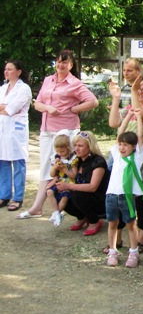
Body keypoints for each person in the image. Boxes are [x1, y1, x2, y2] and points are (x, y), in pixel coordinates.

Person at [17, 49, 98, 219]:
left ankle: (68, 208)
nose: (60, 65)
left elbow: (93, 101)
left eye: (64, 62)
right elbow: (37, 103)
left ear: (71, 65)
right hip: (47, 129)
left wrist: (74, 109)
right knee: (47, 168)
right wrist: (48, 108)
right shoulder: (49, 80)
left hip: (65, 130)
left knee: (64, 168)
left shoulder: (75, 83)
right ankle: (38, 208)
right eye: (59, 61)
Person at [108, 73, 143, 253]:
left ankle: (142, 237)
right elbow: (113, 123)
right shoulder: (129, 108)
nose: (140, 92)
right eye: (138, 89)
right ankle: (118, 238)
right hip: (125, 163)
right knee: (121, 197)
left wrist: (133, 91)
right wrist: (116, 98)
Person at [105, 108, 143, 268]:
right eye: (120, 144)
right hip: (112, 195)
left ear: (133, 147)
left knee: (131, 224)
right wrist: (128, 115)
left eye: (126, 145)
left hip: (127, 196)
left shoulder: (137, 157)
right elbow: (120, 132)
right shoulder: (117, 156)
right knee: (112, 223)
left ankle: (133, 251)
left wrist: (138, 117)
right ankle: (112, 251)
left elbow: (140, 136)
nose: (122, 147)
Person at [58, 131, 109, 236]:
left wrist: (68, 186)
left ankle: (94, 221)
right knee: (59, 194)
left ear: (90, 146)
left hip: (101, 199)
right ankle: (82, 217)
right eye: (75, 145)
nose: (76, 149)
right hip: (85, 196)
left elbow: (93, 187)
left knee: (77, 195)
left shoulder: (98, 161)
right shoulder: (77, 160)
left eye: (80, 146)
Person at [0, 60, 32, 212]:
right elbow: (8, 108)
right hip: (3, 129)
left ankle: (18, 198)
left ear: (18, 72)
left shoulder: (24, 89)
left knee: (18, 162)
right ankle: (4, 195)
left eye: (10, 69)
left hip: (16, 131)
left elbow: (12, 109)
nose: (6, 72)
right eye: (5, 69)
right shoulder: (3, 88)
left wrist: (6, 107)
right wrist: (6, 107)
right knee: (3, 162)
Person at [45, 134, 79, 227]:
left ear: (68, 147)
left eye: (62, 151)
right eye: (57, 151)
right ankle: (56, 213)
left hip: (68, 182)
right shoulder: (56, 157)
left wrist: (63, 169)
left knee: (64, 198)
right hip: (59, 180)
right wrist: (55, 168)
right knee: (49, 192)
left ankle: (58, 214)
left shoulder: (73, 158)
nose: (59, 153)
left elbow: (73, 175)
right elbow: (52, 175)